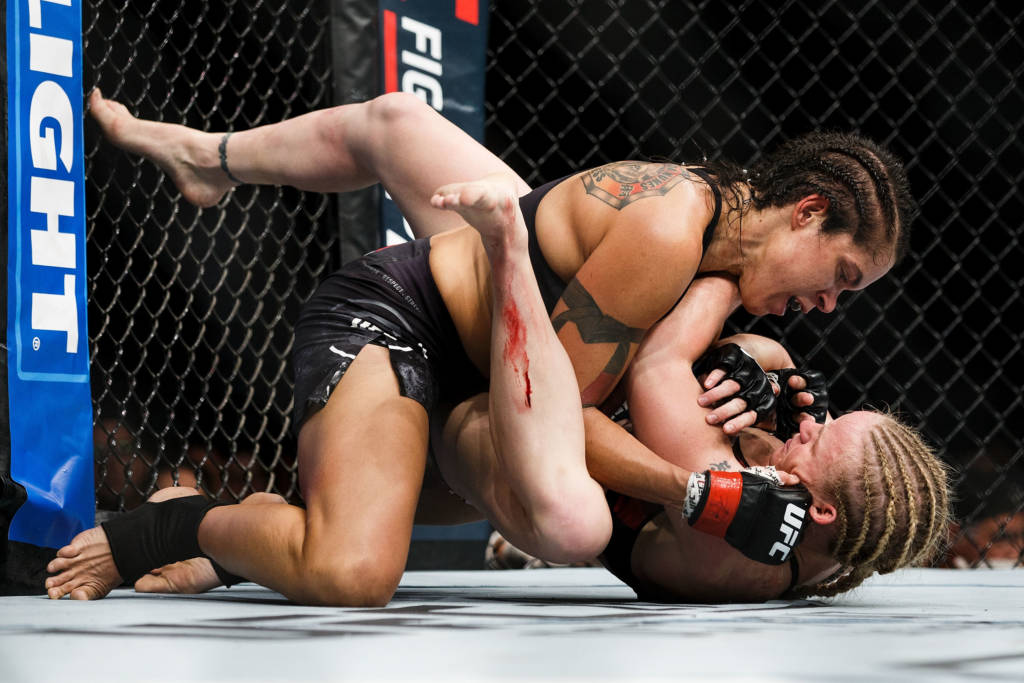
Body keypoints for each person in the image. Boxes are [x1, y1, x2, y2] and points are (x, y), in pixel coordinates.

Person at [45, 90, 924, 604]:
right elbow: (562, 423)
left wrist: (760, 366)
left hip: (496, 365)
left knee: (396, 122)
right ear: (807, 211)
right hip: (406, 322)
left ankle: (210, 157)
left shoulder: (720, 256)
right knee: (362, 569)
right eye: (841, 275)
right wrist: (701, 479)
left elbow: (619, 379)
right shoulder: (670, 235)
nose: (830, 304)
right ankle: (172, 522)